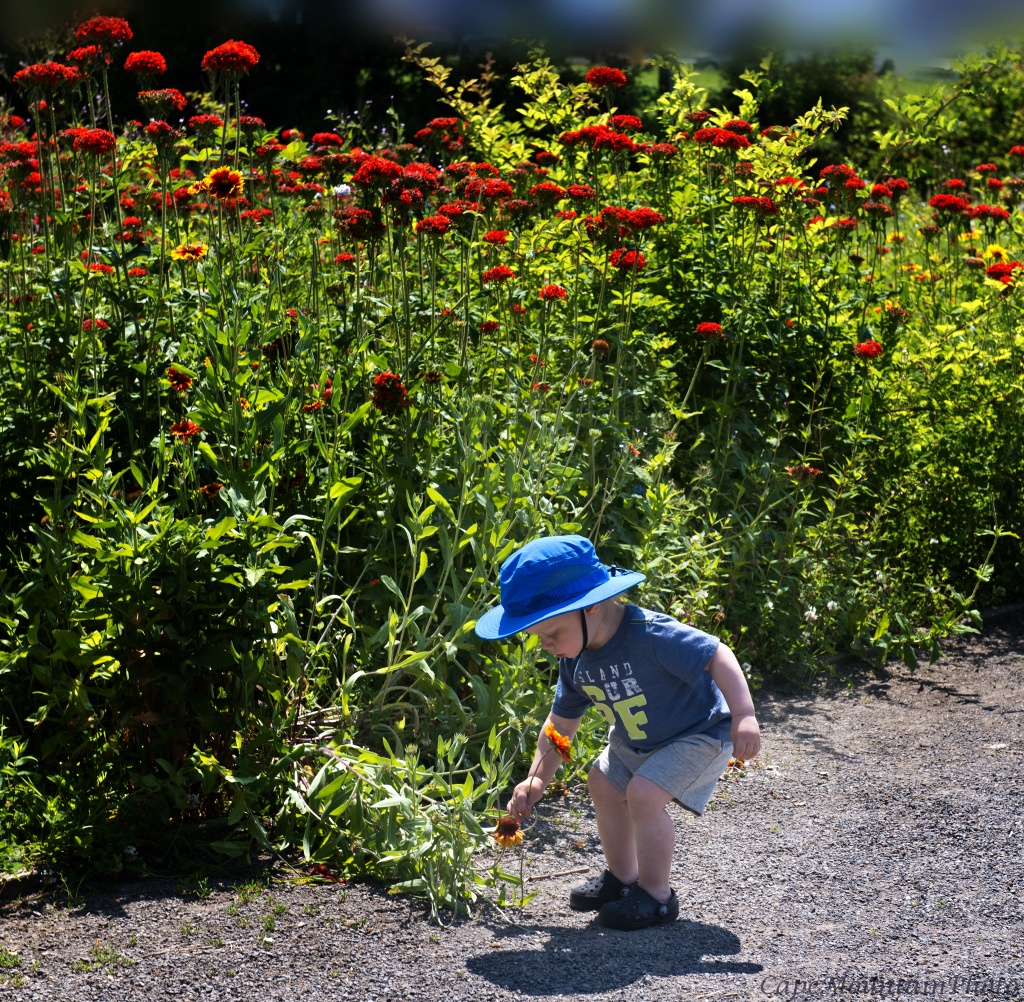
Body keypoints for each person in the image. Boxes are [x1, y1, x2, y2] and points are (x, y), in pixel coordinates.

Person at [475, 534, 761, 930]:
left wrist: (743, 714)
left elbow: (716, 654)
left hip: (699, 733)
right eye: (538, 637)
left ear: (590, 607)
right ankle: (623, 881)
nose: (546, 645)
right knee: (602, 782)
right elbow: (560, 726)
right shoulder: (575, 661)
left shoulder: (650, 634)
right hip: (638, 741)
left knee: (643, 795)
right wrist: (537, 779)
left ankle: (658, 896)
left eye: (552, 633)